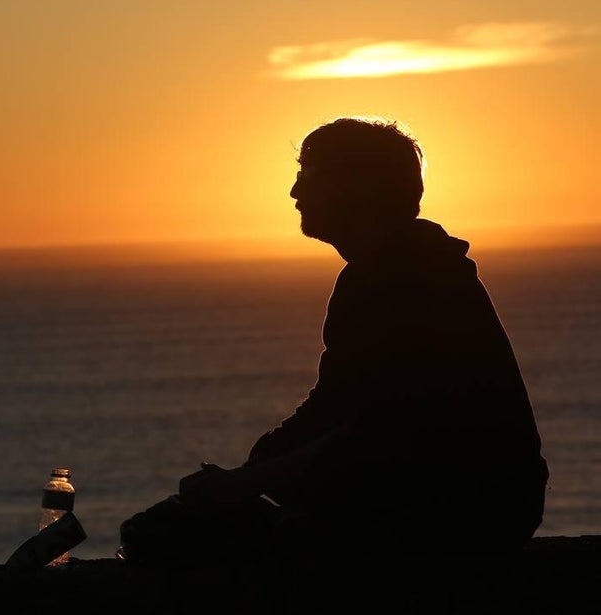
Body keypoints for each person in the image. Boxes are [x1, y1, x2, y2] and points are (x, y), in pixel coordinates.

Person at [119, 117, 548, 562]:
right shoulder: (386, 270)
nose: (295, 192)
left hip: (463, 510)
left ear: (357, 189)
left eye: (310, 176)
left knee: (174, 538)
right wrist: (257, 467)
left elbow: (380, 431)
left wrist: (250, 482)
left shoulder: (402, 276)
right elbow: (336, 404)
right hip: (465, 499)